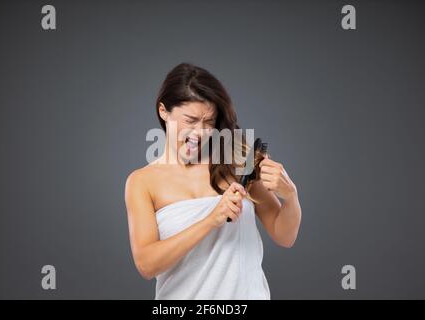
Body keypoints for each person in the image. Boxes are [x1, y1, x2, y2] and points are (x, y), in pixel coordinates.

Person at [124, 62, 302, 299]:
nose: (200, 132)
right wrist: (211, 220)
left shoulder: (238, 161)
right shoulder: (141, 182)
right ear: (163, 111)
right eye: (190, 120)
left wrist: (290, 196)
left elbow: (285, 236)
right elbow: (147, 264)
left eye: (209, 122)